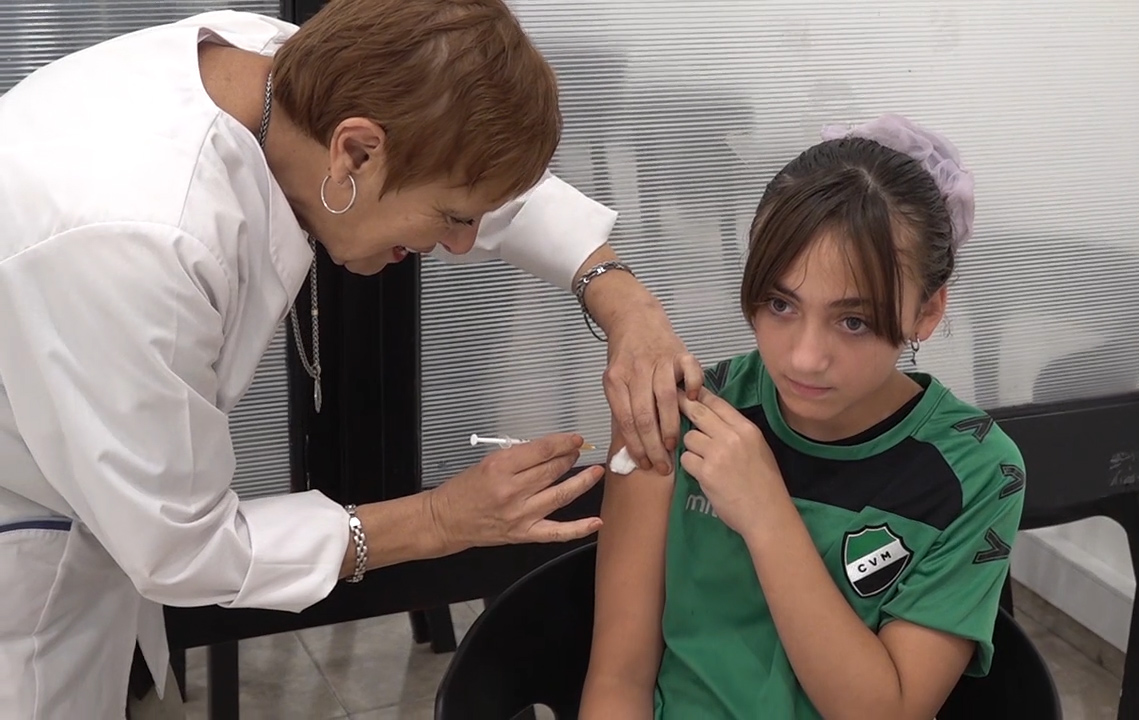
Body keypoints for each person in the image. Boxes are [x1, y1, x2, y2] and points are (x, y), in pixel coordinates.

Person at [0, 1, 703, 717]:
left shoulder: (274, 65)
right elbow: (183, 548)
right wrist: (439, 521)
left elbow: (470, 171)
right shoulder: (141, 241)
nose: (462, 246)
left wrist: (622, 300)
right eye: (451, 220)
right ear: (356, 153)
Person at [580, 114, 1028, 719]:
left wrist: (767, 516)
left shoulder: (976, 469)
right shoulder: (676, 408)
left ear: (927, 311)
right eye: (780, 303)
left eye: (853, 321)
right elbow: (618, 680)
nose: (804, 357)